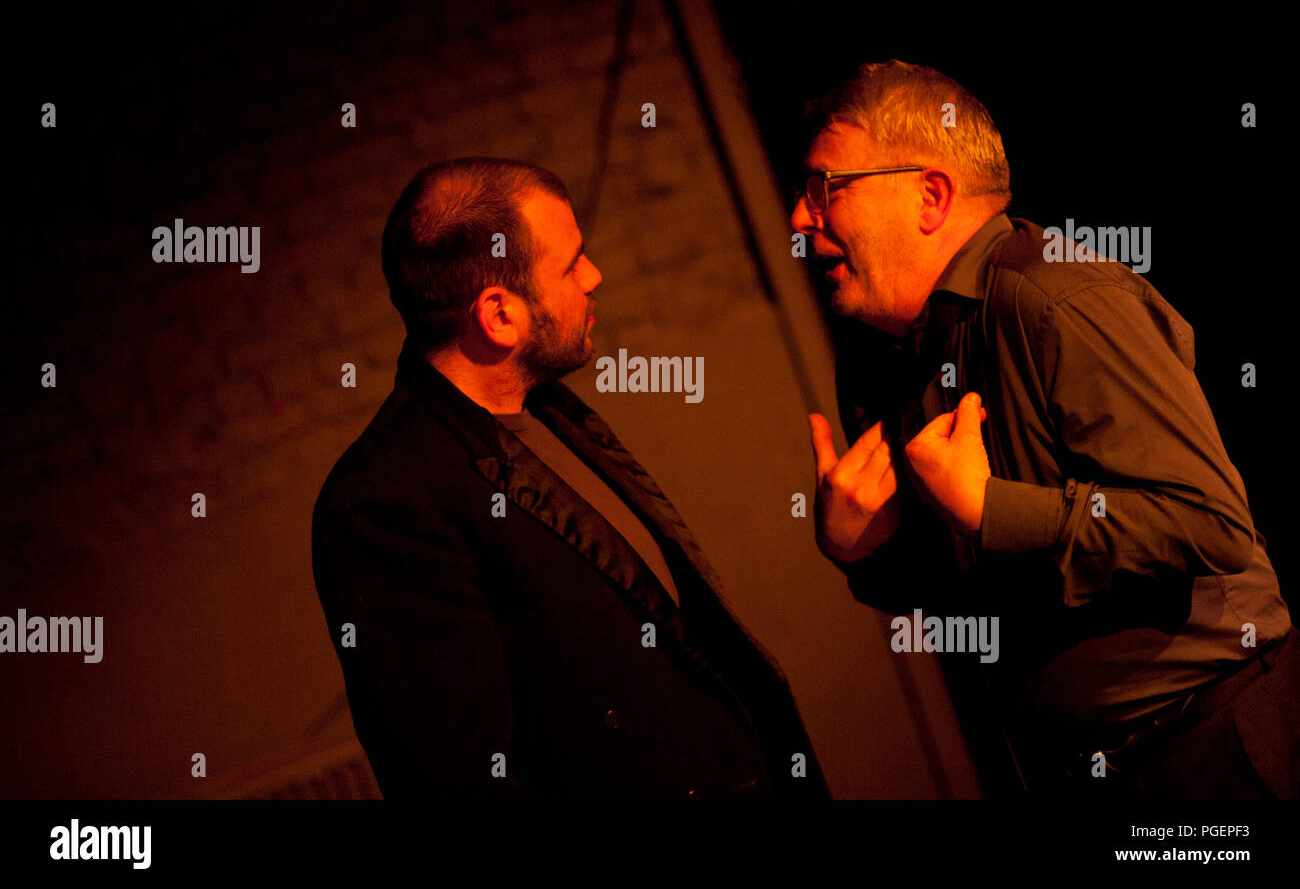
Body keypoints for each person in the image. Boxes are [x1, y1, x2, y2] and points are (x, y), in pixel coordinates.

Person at [792, 60, 1297, 798]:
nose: (801, 220)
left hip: (1215, 751)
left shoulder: (1056, 301)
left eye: (824, 189)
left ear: (930, 195)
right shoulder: (886, 360)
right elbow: (984, 590)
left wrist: (993, 509)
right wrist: (865, 555)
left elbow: (1211, 524)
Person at [312, 157, 828, 799]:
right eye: (570, 264)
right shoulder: (382, 500)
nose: (594, 276)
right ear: (499, 314)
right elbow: (454, 782)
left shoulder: (552, 409)